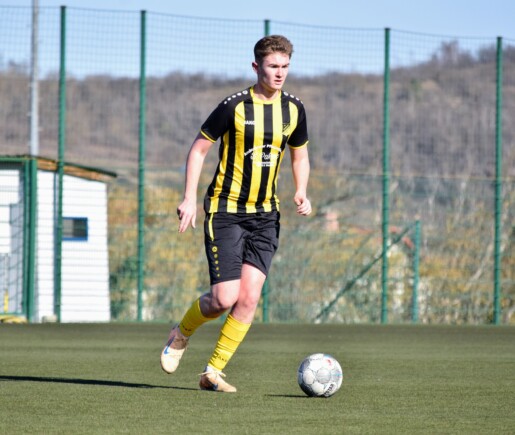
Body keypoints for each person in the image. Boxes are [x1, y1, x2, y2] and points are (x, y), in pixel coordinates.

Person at [160, 34, 311, 393]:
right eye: (273, 66)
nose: (280, 73)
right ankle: (180, 333)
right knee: (223, 299)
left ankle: (213, 371)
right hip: (225, 211)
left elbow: (300, 154)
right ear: (256, 66)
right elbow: (199, 150)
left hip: (266, 216)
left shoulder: (294, 109)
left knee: (249, 297)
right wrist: (188, 198)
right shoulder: (234, 106)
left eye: (285, 66)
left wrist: (301, 190)